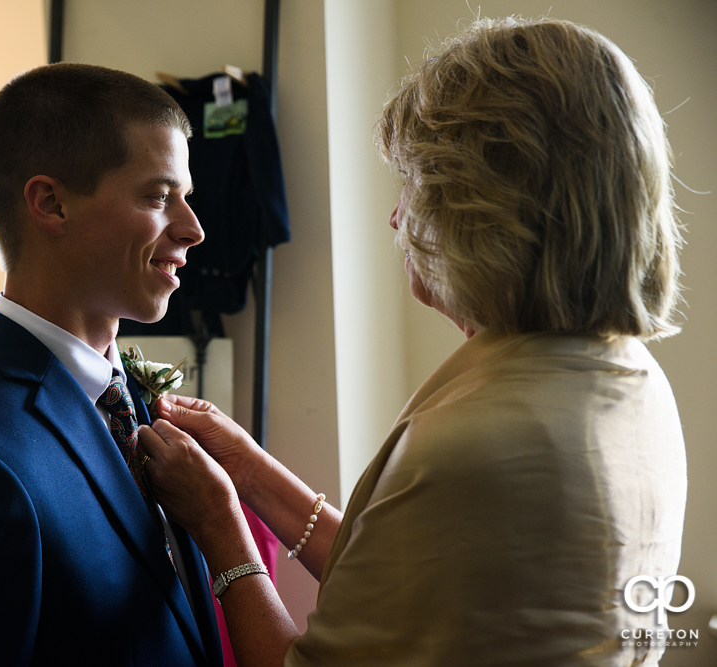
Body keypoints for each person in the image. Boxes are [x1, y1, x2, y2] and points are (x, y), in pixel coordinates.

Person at [137, 16, 687, 667]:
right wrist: (251, 473)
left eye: (413, 184)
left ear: (483, 206)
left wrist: (219, 524)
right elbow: (414, 585)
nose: (397, 216)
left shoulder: (486, 445)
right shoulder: (625, 372)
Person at [0, 63, 224, 666]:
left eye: (186, 199)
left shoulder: (129, 404)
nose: (194, 229)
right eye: (159, 197)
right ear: (52, 204)